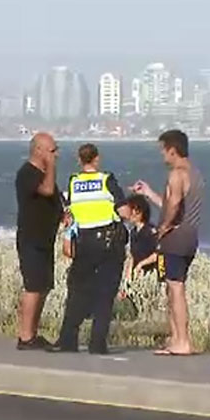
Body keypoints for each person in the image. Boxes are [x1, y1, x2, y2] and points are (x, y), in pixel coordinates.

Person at [50, 143, 129, 355]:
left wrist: (67, 238)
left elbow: (70, 215)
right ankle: (97, 343)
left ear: (80, 160)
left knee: (77, 291)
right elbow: (124, 212)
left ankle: (68, 340)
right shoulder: (106, 180)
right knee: (105, 293)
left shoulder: (74, 182)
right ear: (97, 159)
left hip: (83, 242)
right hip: (108, 242)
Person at [133, 129, 204, 356]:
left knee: (175, 288)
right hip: (190, 236)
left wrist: (162, 228)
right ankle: (176, 339)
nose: (163, 156)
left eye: (164, 151)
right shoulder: (195, 173)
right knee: (173, 286)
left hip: (175, 238)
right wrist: (149, 193)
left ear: (172, 150)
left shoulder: (177, 174)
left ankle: (182, 341)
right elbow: (172, 203)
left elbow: (172, 206)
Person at [14, 131, 62, 350]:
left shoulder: (43, 173)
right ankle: (25, 337)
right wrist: (50, 166)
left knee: (43, 287)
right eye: (52, 151)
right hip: (31, 239)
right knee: (33, 286)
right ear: (39, 150)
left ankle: (33, 332)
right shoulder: (28, 173)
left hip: (45, 239)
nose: (56, 155)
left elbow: (55, 199)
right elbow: (47, 190)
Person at [123, 194, 158, 277]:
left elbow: (157, 254)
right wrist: (128, 272)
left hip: (150, 273)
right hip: (137, 273)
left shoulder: (150, 231)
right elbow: (133, 254)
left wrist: (141, 264)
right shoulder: (133, 232)